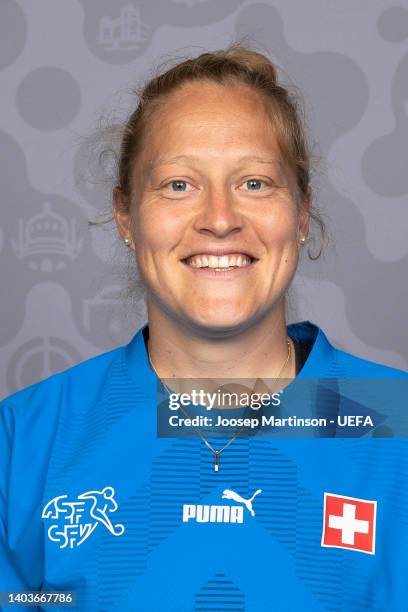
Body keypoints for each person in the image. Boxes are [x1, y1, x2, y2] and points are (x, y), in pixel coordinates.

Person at [0, 44, 407, 612]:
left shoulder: (396, 425)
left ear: (302, 209)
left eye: (256, 183)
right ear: (126, 215)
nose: (219, 219)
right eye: (178, 185)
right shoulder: (24, 442)